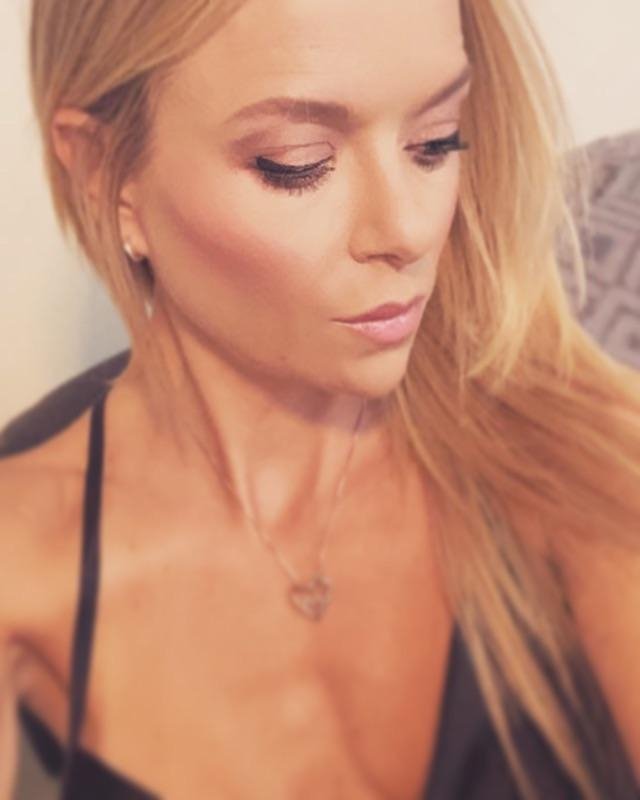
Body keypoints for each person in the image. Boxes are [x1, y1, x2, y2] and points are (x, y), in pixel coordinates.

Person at [1, 0, 639, 798]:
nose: (406, 230)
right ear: (102, 170)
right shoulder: (22, 548)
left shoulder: (564, 440)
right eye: (296, 162)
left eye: (436, 141)